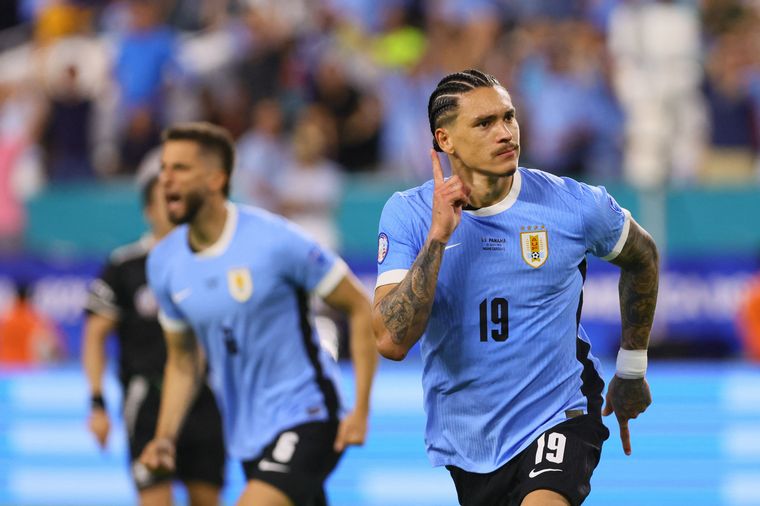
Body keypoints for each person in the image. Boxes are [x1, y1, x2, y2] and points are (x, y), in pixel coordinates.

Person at [372, 70, 659, 506]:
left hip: (559, 414)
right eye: (484, 123)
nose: (505, 133)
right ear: (445, 140)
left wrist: (633, 365)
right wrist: (438, 239)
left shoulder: (573, 205)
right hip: (469, 440)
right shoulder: (410, 215)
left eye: (509, 117)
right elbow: (390, 341)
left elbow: (643, 256)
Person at [139, 122, 378, 506]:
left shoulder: (274, 240)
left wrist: (362, 408)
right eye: (163, 169)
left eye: (180, 169)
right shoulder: (165, 264)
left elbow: (358, 305)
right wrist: (165, 438)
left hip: (309, 413)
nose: (165, 179)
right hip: (248, 434)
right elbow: (183, 361)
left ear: (217, 178)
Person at [82, 174, 225, 506]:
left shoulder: (209, 262)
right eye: (168, 200)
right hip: (147, 400)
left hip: (203, 399)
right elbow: (94, 335)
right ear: (148, 210)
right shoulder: (126, 265)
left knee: (207, 498)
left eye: (182, 200)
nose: (176, 208)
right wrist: (97, 403)